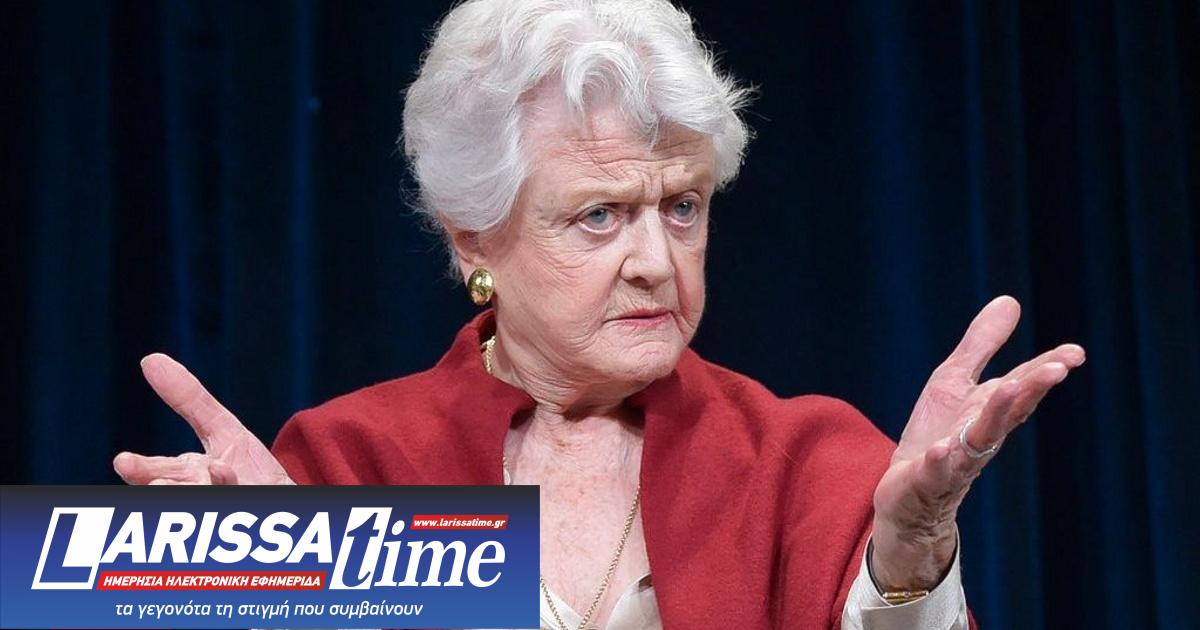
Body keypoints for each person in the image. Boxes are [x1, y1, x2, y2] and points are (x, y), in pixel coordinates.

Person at [112, 1, 1086, 628]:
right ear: (474, 241)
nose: (656, 263)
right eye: (600, 216)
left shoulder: (807, 461)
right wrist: (246, 585)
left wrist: (911, 563)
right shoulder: (345, 465)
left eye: (682, 207)